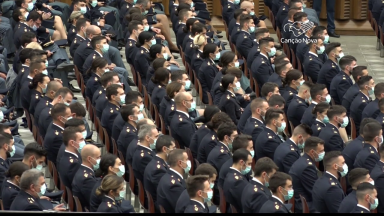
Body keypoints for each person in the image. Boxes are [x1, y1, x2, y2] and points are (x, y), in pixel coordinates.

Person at [289, 136, 325, 213]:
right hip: (305, 204)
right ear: (312, 152)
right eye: (321, 151)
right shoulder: (307, 167)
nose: (323, 153)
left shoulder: (304, 160)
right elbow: (315, 192)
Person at [143, 135, 175, 212]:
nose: (175, 151)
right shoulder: (158, 170)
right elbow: (165, 191)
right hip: (161, 206)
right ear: (164, 149)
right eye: (173, 148)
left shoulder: (158, 162)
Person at [157, 149, 189, 213]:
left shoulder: (169, 175)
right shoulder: (173, 185)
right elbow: (183, 208)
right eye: (186, 159)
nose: (188, 162)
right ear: (180, 163)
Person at [72, 144, 101, 211]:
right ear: (89, 159)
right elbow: (95, 200)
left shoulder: (83, 171)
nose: (100, 160)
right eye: (98, 157)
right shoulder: (87, 179)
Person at [223, 148, 252, 213]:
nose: (250, 167)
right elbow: (246, 202)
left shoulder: (231, 174)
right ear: (241, 162)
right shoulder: (237, 182)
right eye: (249, 164)